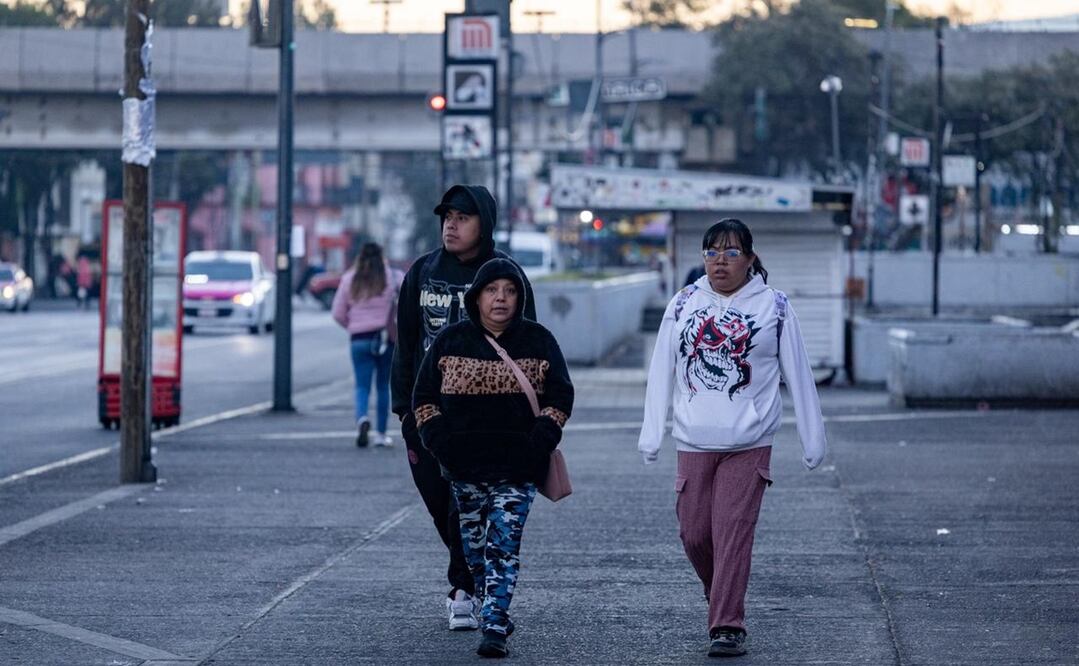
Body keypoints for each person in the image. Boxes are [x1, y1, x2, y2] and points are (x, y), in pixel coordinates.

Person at [637, 218, 827, 658]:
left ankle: (727, 624)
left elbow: (798, 373)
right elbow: (660, 370)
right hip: (693, 439)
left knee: (733, 533)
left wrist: (812, 439)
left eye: (731, 252)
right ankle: (720, 593)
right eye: (711, 253)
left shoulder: (774, 307)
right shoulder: (684, 302)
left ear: (751, 259)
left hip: (749, 440)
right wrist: (652, 435)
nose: (719, 261)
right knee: (695, 536)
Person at [391, 184, 538, 631]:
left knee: (464, 506)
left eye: (462, 217)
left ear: (485, 224)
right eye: (446, 217)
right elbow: (407, 342)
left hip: (484, 421)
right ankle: (472, 578)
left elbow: (530, 344)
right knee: (440, 505)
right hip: (426, 415)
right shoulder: (422, 272)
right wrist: (402, 409)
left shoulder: (506, 275)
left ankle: (462, 590)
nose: (451, 225)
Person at [412, 258, 573, 658]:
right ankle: (490, 601)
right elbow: (423, 398)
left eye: (510, 290)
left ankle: (496, 623)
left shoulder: (539, 340)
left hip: (518, 469)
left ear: (520, 297)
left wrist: (540, 440)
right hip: (463, 470)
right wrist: (439, 443)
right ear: (477, 296)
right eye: (491, 290)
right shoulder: (451, 341)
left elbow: (560, 395)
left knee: (504, 544)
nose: (501, 298)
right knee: (474, 548)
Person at [331, 242, 403, 448]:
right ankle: (381, 434)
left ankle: (362, 419)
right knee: (382, 387)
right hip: (384, 338)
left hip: (359, 339)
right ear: (382, 257)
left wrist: (353, 326)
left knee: (362, 386)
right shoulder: (393, 277)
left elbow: (337, 313)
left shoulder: (349, 279)